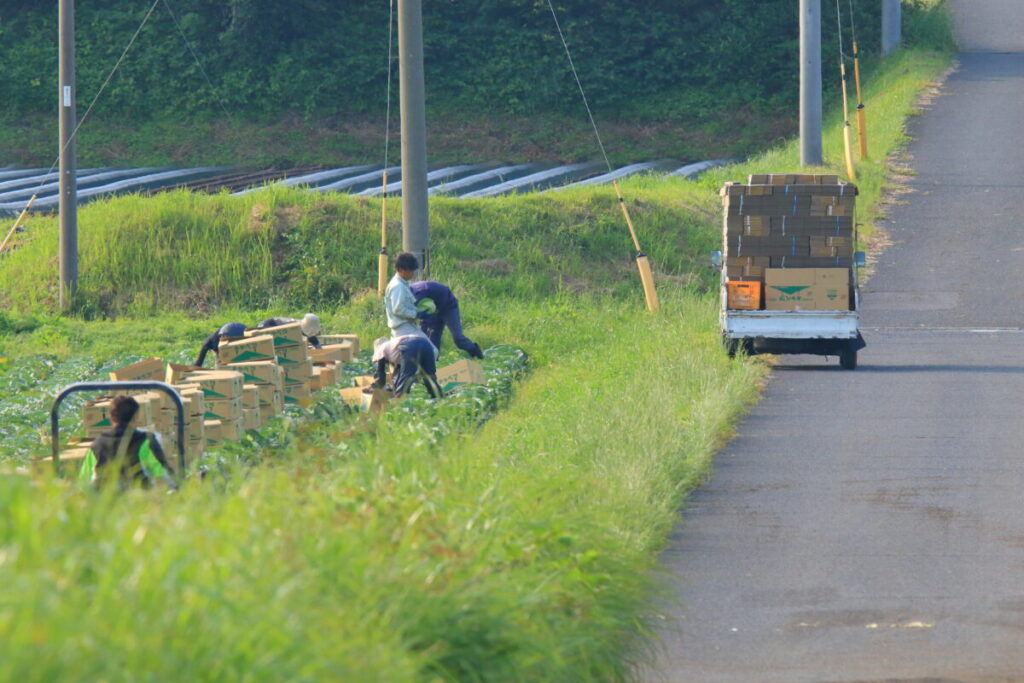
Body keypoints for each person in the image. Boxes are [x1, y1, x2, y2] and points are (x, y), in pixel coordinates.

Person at [84, 395, 175, 489]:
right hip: (137, 499)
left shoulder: (97, 445)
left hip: (104, 501)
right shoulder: (145, 441)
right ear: (135, 418)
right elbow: (164, 474)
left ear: (111, 418)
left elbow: (83, 481)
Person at [410, 280, 484, 359]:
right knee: (431, 341)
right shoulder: (406, 294)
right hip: (432, 311)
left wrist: (418, 316)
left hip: (448, 307)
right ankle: (434, 366)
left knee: (458, 338)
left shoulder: (419, 292)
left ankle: (478, 355)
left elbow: (414, 314)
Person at [372, 335, 443, 398]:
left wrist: (377, 388)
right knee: (429, 376)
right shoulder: (393, 347)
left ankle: (399, 403)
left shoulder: (380, 349)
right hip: (425, 342)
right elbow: (398, 374)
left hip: (409, 345)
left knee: (406, 378)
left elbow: (380, 374)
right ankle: (439, 398)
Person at [384, 252, 431, 338]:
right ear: (402, 270)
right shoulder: (398, 286)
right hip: (403, 329)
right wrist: (416, 314)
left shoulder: (403, 284)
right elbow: (398, 309)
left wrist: (417, 310)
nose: (412, 273)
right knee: (430, 350)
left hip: (407, 327)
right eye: (411, 270)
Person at [256, 313, 323, 349]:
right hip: (266, 326)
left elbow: (313, 339)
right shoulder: (294, 329)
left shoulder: (305, 327)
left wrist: (320, 351)